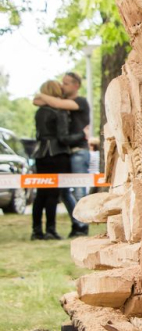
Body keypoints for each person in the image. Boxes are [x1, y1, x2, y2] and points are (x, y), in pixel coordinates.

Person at [34, 72, 90, 237]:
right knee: (62, 192)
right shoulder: (59, 107)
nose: (63, 86)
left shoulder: (79, 102)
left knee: (78, 191)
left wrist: (44, 93)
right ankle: (76, 224)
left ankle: (81, 226)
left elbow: (50, 102)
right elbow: (36, 101)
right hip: (63, 151)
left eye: (65, 83)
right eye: (61, 84)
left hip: (78, 150)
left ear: (75, 86)